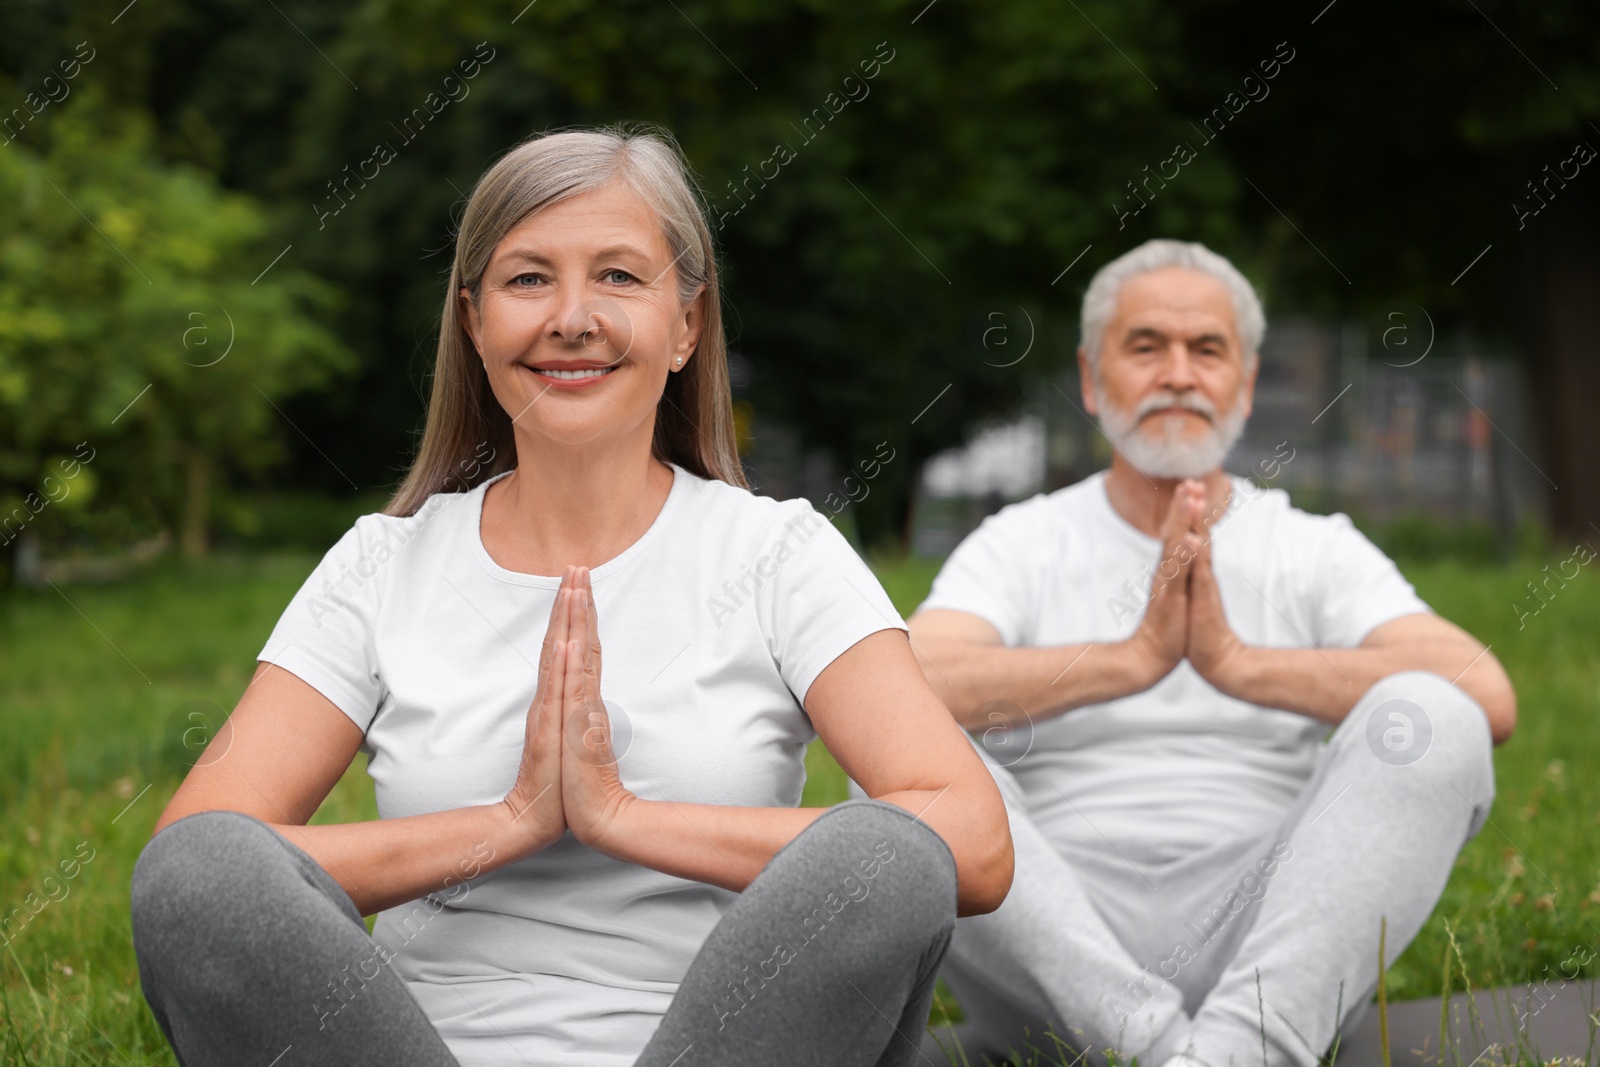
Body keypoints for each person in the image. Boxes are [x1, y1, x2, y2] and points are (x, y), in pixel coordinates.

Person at [128, 124, 1013, 1067]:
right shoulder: (381, 565)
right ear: (474, 325)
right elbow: (201, 855)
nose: (572, 316)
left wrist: (627, 820)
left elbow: (973, 841)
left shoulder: (779, 552)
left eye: (620, 277)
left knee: (887, 850)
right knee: (200, 872)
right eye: (528, 278)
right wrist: (507, 823)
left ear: (687, 325)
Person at [900, 240, 1515, 1067]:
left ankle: (1236, 1049)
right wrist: (1132, 657)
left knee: (1440, 715)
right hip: (1056, 955)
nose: (1179, 374)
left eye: (1208, 349)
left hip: (1270, 947)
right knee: (905, 758)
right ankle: (1176, 1052)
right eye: (1146, 346)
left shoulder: (1313, 547)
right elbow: (897, 688)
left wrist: (1236, 663)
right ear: (1091, 378)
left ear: (1246, 383)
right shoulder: (1022, 541)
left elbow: (1487, 692)